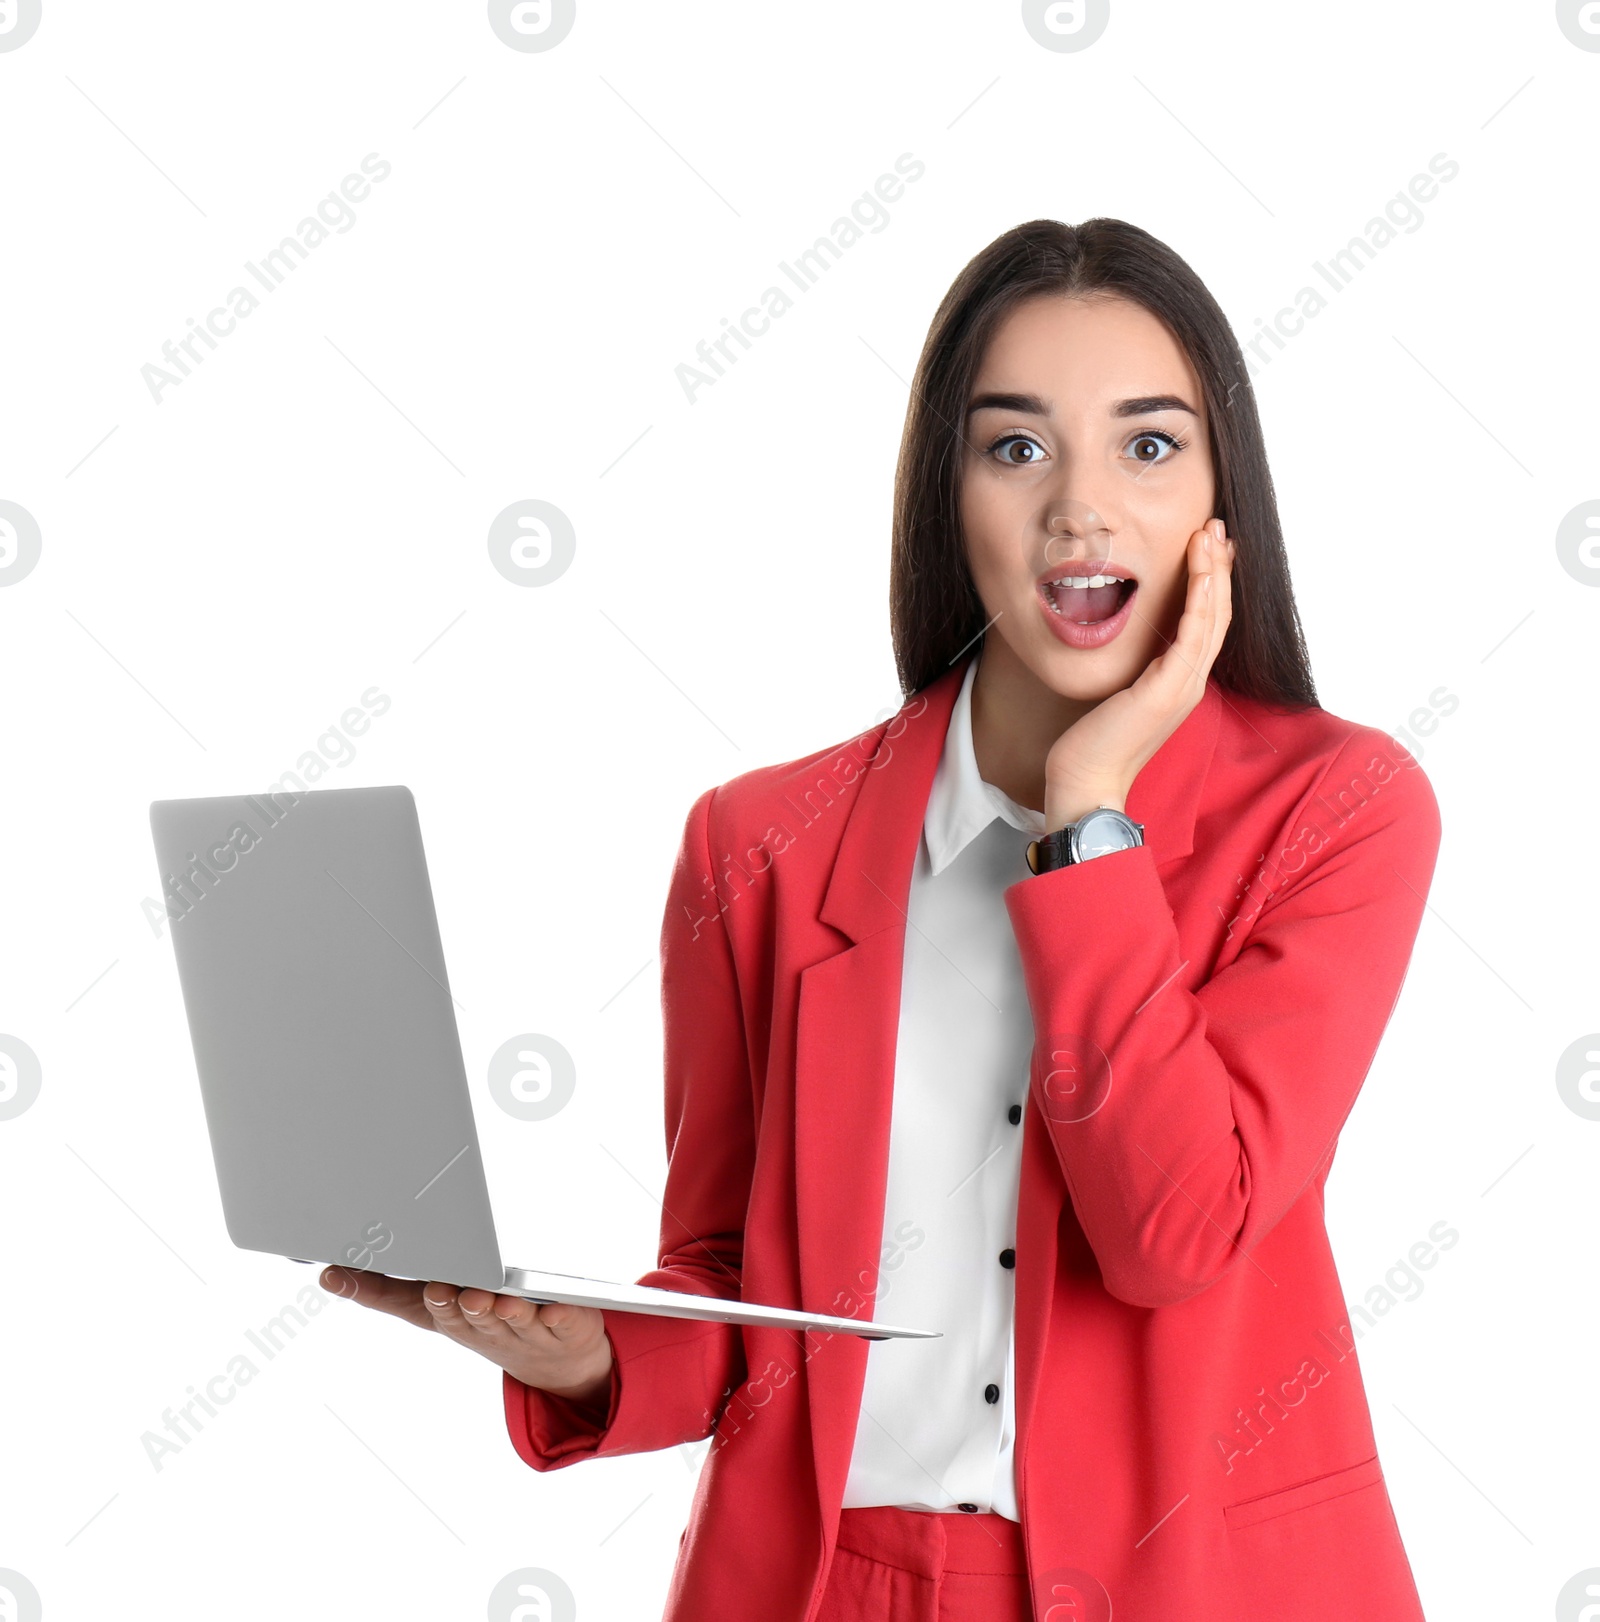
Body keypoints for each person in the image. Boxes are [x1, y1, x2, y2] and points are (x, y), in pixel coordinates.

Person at [322, 217, 1440, 1622]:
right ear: (943, 493)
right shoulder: (759, 845)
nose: (1080, 508)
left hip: (1195, 1583)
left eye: (1148, 446)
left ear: (1225, 507)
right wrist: (584, 1357)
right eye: (1015, 446)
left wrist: (1087, 819)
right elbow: (734, 1285)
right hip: (829, 1586)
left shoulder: (1339, 811)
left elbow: (1176, 1229)